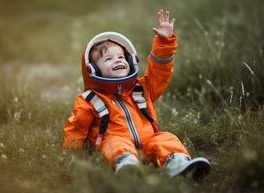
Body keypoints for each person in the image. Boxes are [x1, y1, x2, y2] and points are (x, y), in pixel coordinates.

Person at [62, 9, 211, 181]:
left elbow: (160, 71)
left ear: (131, 61)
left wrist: (164, 41)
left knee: (166, 138)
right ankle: (126, 165)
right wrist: (71, 156)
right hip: (117, 145)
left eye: (121, 57)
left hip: (148, 143)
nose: (118, 60)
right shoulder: (90, 100)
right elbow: (76, 129)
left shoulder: (143, 87)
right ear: (93, 70)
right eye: (108, 59)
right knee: (114, 143)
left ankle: (178, 164)